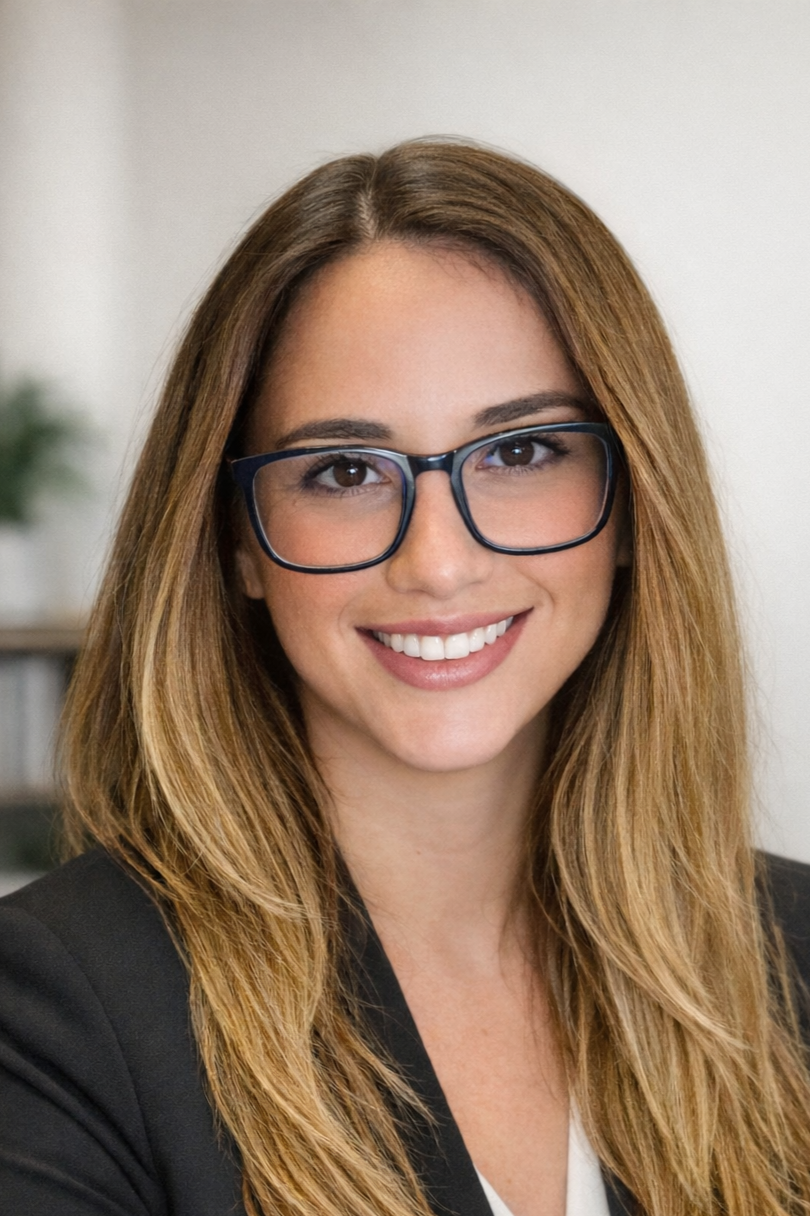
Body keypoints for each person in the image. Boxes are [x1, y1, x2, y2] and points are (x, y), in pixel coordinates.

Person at [1, 140, 809, 1216]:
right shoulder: (63, 1004)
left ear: (630, 504)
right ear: (236, 538)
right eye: (342, 471)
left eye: (519, 452)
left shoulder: (793, 954)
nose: (437, 561)